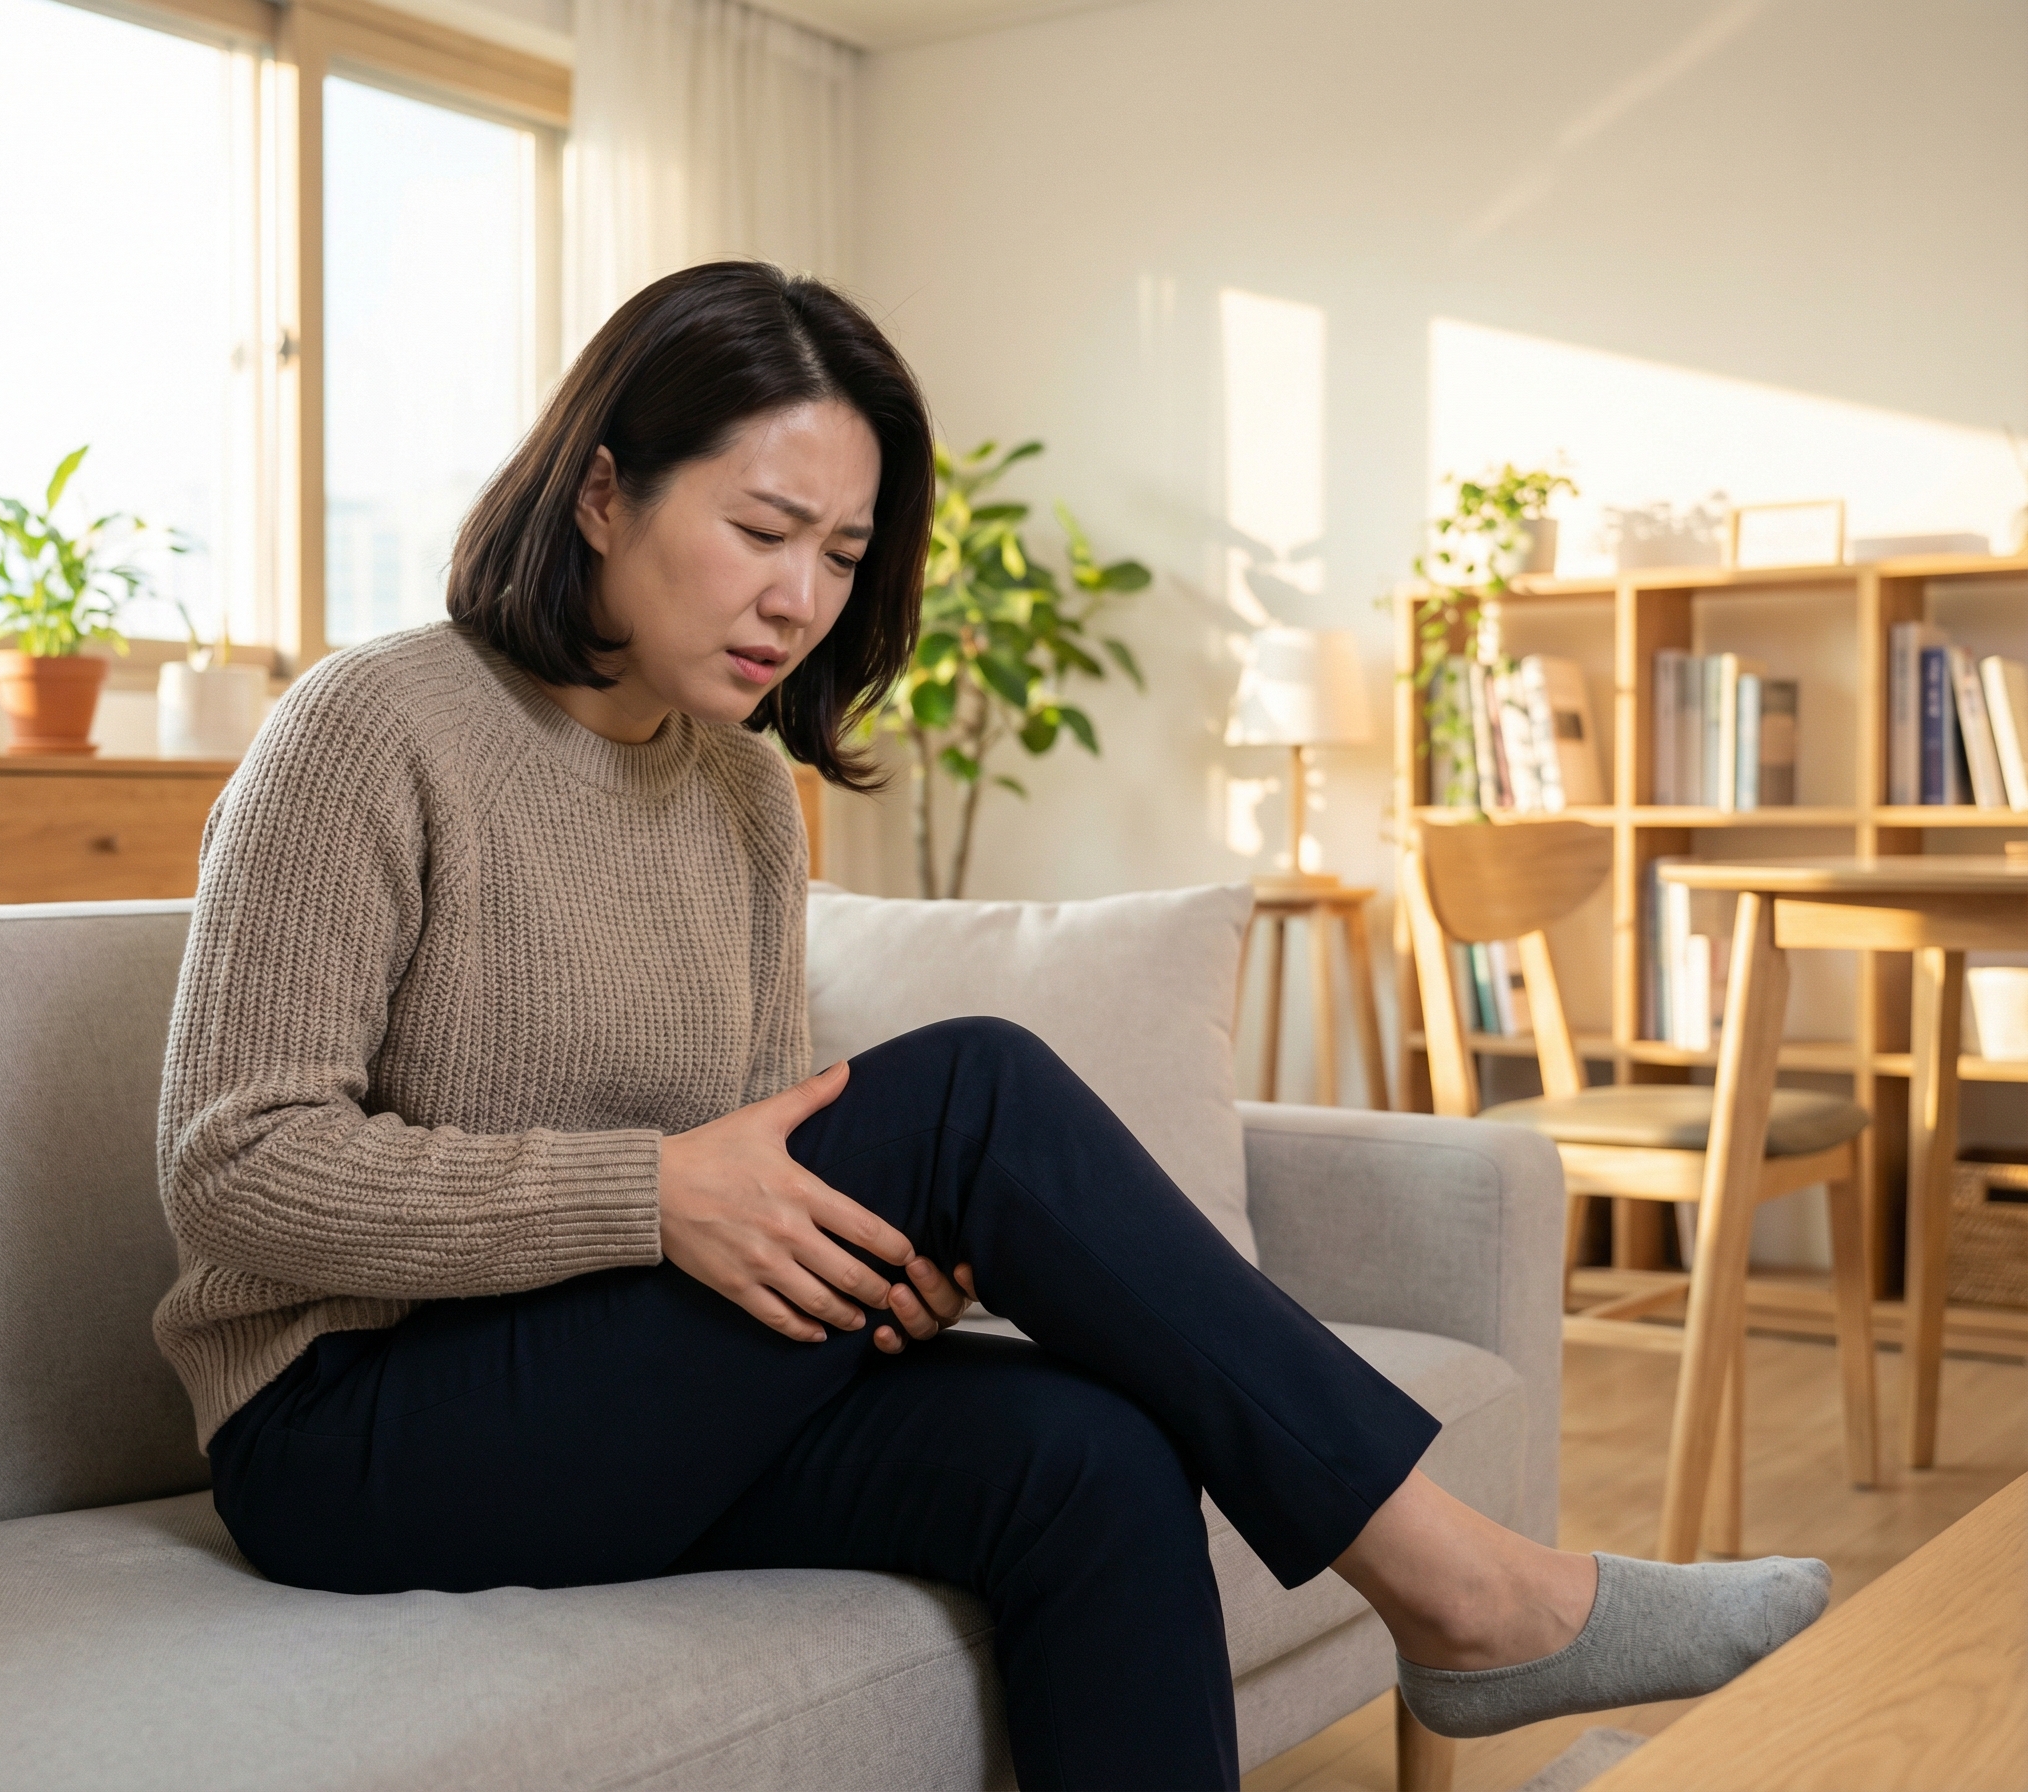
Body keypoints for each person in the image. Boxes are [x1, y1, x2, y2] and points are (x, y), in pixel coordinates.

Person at [155, 261, 1827, 1792]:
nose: (799, 597)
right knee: (972, 1092)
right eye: (761, 527)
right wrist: (652, 1192)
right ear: (604, 489)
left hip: (614, 1384)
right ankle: (1474, 1594)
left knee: (1087, 1453)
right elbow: (234, 1170)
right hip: (350, 1424)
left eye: (840, 554)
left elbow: (760, 1143)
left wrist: (860, 1255)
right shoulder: (372, 725)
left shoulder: (741, 787)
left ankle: (1468, 1605)